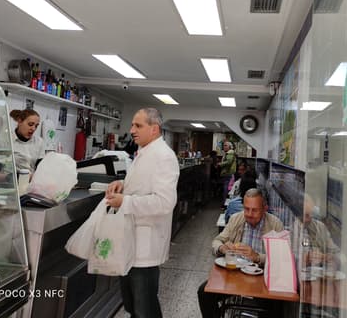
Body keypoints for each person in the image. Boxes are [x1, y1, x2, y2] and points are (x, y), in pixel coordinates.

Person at [105, 107, 179, 318]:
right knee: (132, 305)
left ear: (154, 129)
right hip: (131, 242)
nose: (132, 130)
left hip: (145, 248)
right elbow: (143, 185)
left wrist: (125, 201)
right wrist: (123, 184)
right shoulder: (144, 152)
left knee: (144, 309)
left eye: (138, 125)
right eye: (132, 125)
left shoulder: (163, 156)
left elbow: (165, 202)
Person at [197, 188, 283, 318]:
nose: (249, 214)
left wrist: (257, 257)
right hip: (235, 275)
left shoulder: (275, 225)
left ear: (265, 208)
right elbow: (217, 241)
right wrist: (223, 248)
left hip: (263, 278)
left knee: (276, 304)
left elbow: (280, 258)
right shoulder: (236, 219)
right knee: (204, 293)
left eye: (254, 210)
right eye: (246, 209)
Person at [292, 195, 341, 271]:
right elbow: (293, 260)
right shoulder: (292, 230)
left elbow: (337, 254)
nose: (309, 218)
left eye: (311, 213)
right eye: (306, 215)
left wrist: (326, 257)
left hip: (321, 274)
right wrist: (307, 258)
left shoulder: (320, 227)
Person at [9, 109, 45, 175]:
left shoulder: (39, 142)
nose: (33, 129)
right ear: (20, 121)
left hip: (32, 179)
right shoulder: (8, 139)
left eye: (36, 126)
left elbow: (41, 168)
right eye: (30, 124)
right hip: (12, 178)